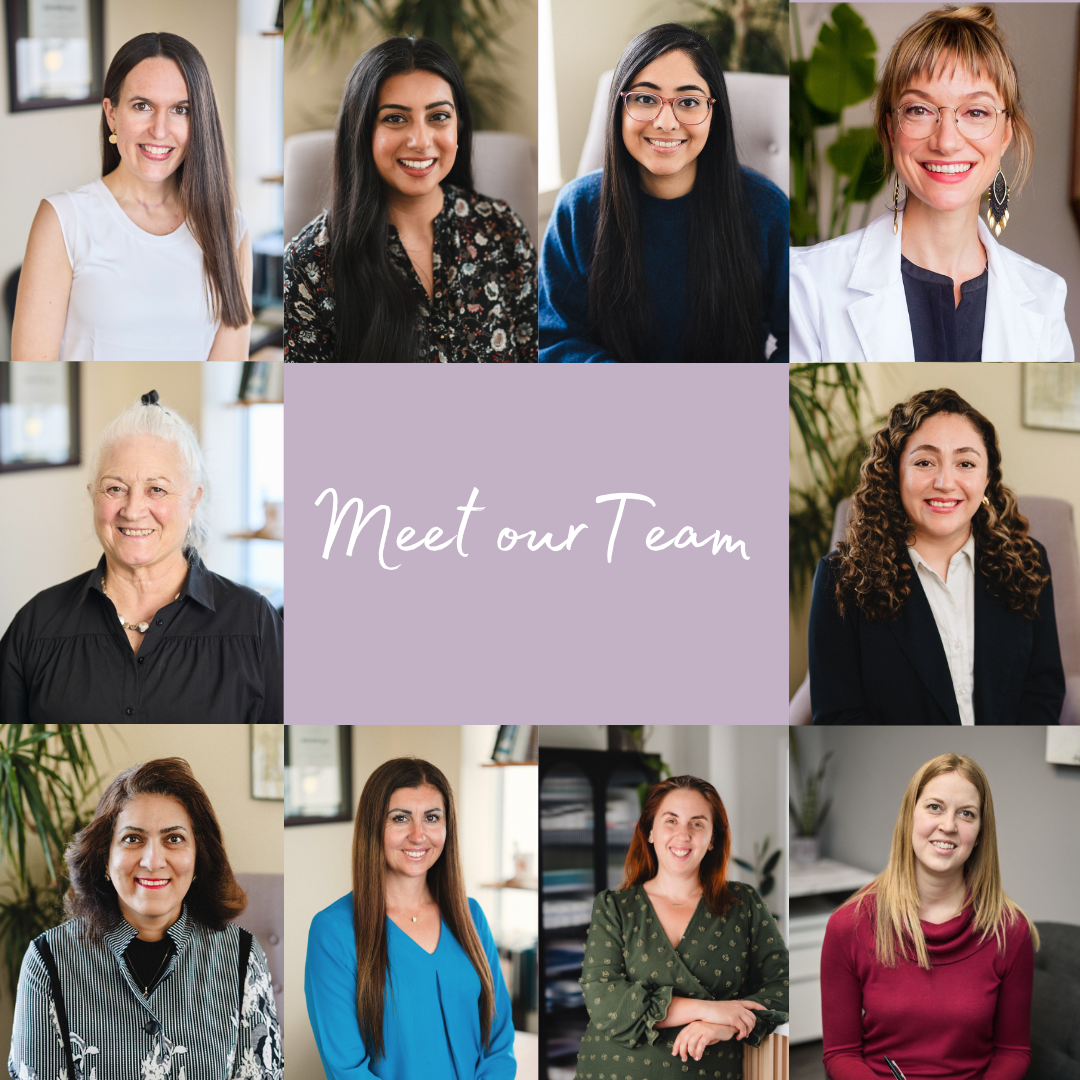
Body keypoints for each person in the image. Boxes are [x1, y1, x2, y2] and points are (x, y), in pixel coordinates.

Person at [791, 5, 1073, 362]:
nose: (947, 141)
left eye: (976, 112)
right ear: (890, 129)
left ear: (1005, 135)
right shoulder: (804, 284)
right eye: (919, 110)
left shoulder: (1046, 296)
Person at [0, 391, 283, 721]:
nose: (133, 511)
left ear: (193, 501)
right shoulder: (35, 624)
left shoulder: (254, 623)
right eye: (115, 488)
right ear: (94, 496)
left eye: (157, 489)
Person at [8, 757, 282, 1080]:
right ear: (105, 859)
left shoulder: (243, 957)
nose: (153, 861)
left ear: (198, 857)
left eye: (174, 838)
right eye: (133, 838)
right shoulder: (46, 962)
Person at [809, 387, 1065, 725]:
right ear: (895, 474)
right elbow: (839, 715)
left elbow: (1044, 690)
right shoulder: (838, 579)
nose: (945, 482)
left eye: (966, 463)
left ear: (986, 479)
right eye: (925, 462)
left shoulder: (1028, 560)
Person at [538, 23, 789, 363]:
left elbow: (798, 339)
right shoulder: (576, 209)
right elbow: (554, 339)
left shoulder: (767, 209)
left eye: (688, 101)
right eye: (644, 98)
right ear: (618, 108)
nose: (666, 122)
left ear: (713, 111)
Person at [284, 37, 536, 363]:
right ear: (362, 132)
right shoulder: (309, 264)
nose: (420, 140)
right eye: (395, 118)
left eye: (439, 116)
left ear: (459, 125)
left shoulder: (503, 228)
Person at [12, 32, 252, 362]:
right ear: (112, 114)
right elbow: (30, 362)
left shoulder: (231, 230)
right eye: (142, 106)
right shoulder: (63, 219)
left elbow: (228, 362)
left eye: (180, 110)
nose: (159, 130)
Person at [821, 753, 1036, 1080]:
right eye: (935, 807)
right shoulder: (847, 926)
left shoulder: (1011, 931)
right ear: (909, 816)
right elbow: (841, 1054)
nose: (948, 826)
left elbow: (1013, 1052)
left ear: (979, 833)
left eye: (966, 814)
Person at [305, 757, 516, 1078]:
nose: (419, 835)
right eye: (400, 818)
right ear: (373, 826)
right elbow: (347, 1069)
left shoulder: (471, 915)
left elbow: (499, 1041)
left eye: (432, 817)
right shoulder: (333, 931)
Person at [572, 775, 787, 1078]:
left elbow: (782, 986)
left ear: (712, 839)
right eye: (671, 821)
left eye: (697, 824)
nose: (683, 835)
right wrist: (708, 1010)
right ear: (649, 831)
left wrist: (723, 1025)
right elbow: (603, 999)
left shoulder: (744, 904)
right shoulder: (614, 906)